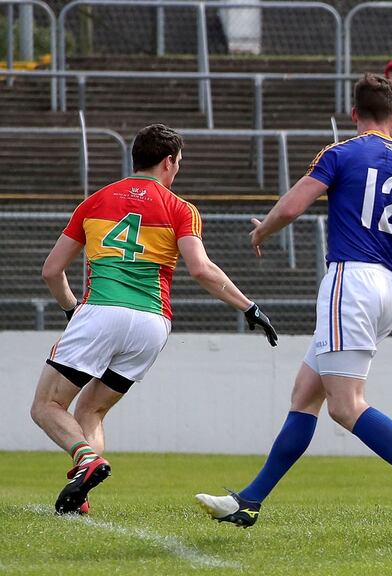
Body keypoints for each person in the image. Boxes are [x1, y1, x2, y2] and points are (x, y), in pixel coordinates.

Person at [195, 74, 392, 544]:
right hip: (387, 290)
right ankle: (249, 501)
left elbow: (291, 208)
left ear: (355, 113)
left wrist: (261, 232)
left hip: (349, 282)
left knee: (345, 406)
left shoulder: (341, 152)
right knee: (306, 395)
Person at [30, 123, 278, 515]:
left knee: (46, 405)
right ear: (168, 161)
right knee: (91, 409)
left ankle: (85, 459)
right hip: (152, 323)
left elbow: (51, 270)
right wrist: (249, 307)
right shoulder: (181, 209)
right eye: (178, 162)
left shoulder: (94, 202)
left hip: (101, 311)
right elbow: (201, 270)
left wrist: (71, 310)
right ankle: (81, 495)